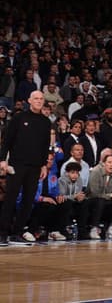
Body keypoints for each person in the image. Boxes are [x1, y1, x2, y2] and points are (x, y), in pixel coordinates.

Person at [0, 90, 52, 246]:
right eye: (35, 98)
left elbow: (45, 145)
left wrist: (43, 164)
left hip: (36, 166)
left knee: (28, 201)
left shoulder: (46, 121)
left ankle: (17, 232)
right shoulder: (19, 117)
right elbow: (7, 140)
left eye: (41, 99)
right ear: (29, 100)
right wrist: (2, 160)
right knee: (10, 199)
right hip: (17, 164)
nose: (38, 101)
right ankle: (2, 233)